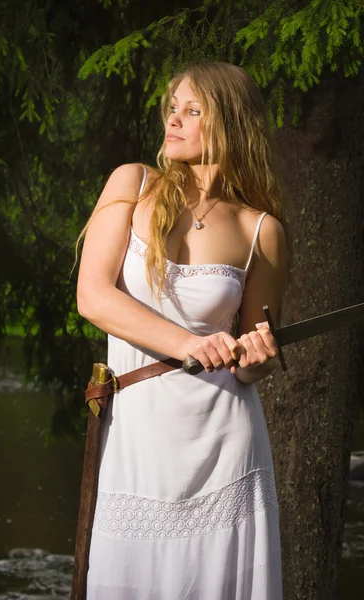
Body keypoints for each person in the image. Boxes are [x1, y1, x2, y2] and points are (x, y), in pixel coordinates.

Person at [77, 62, 288, 600]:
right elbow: (94, 297)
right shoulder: (134, 182)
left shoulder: (260, 230)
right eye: (174, 107)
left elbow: (254, 359)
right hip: (139, 436)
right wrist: (190, 342)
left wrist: (256, 358)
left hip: (225, 442)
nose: (174, 119)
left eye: (193, 111)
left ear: (230, 124)